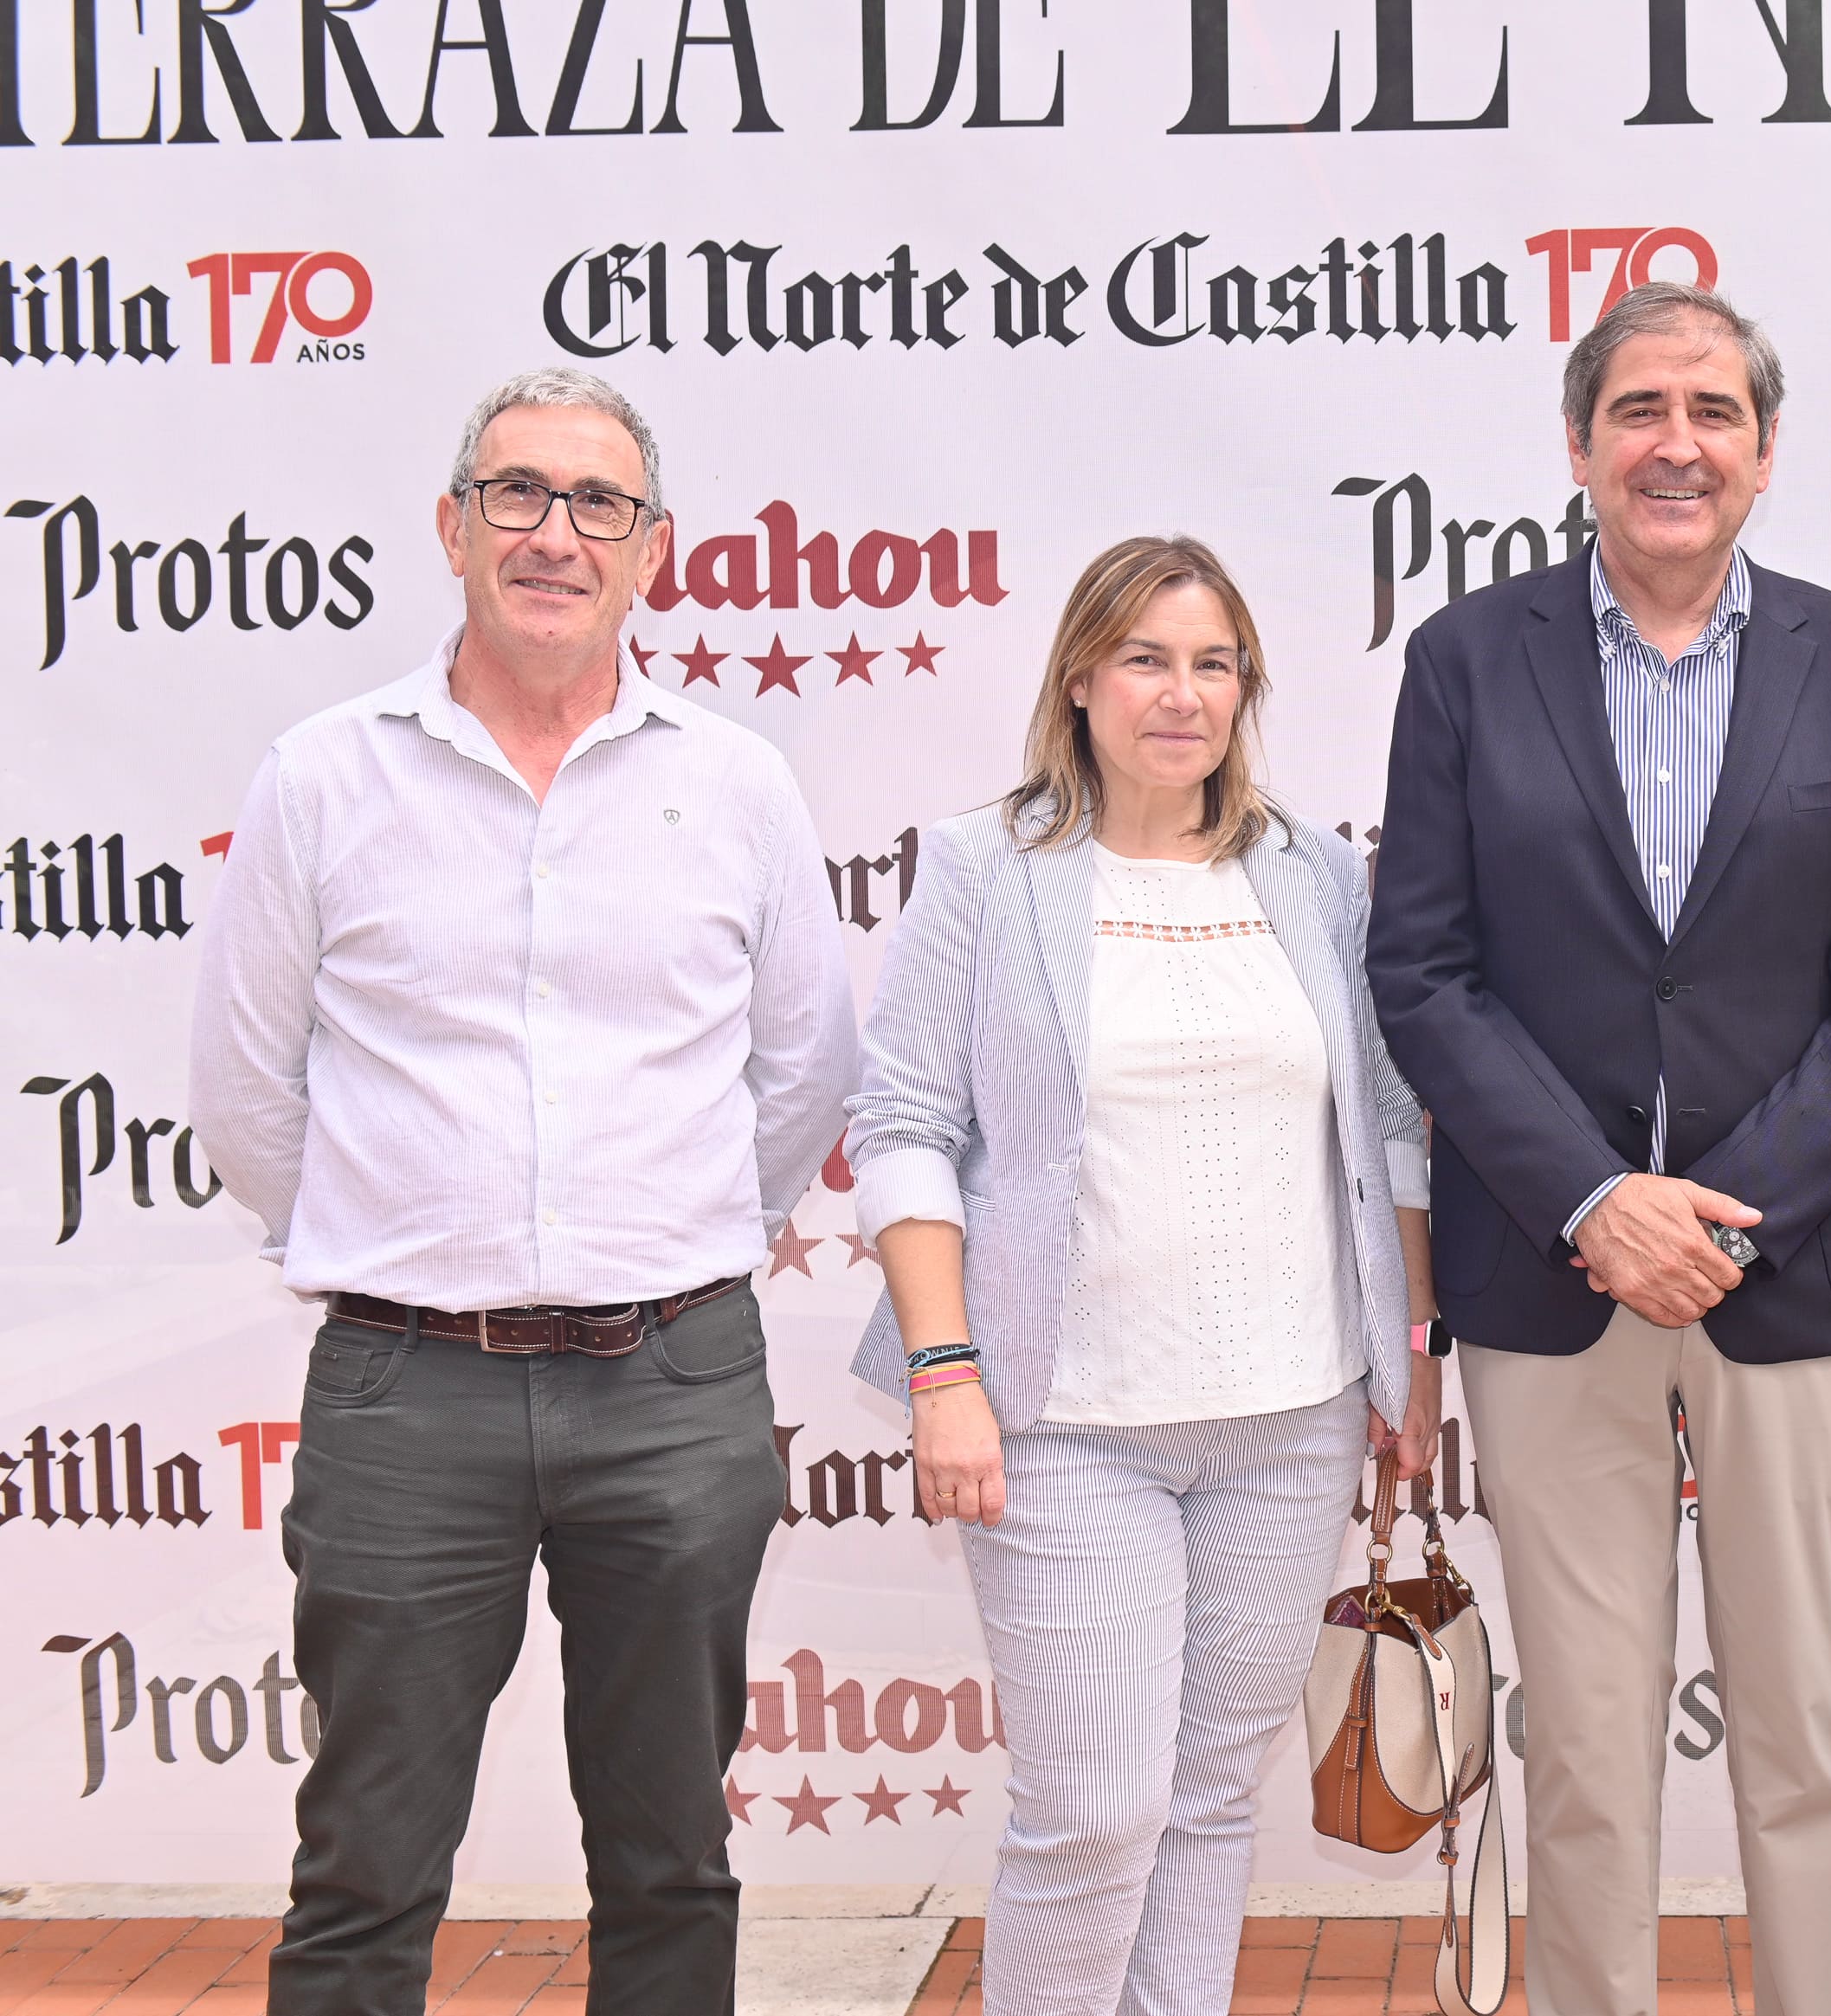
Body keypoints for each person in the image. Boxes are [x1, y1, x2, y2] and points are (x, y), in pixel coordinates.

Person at [188, 366, 858, 2014]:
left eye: (599, 506)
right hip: (406, 1390)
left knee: (670, 1864)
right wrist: (406, 1252)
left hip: (675, 1381)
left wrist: (672, 1245)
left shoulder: (740, 785)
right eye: (519, 493)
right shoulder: (324, 777)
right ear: (453, 524)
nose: (557, 533)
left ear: (654, 554)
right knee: (361, 1871)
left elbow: (803, 1078)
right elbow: (244, 1094)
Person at [1366, 281, 1831, 2016]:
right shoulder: (1471, 662)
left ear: (1763, 450)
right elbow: (1424, 964)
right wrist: (1592, 1199)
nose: (1674, 443)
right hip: (1552, 1285)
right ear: (1579, 444)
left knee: (1803, 1742)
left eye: (1712, 410)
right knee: (1589, 1746)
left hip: (1789, 1280)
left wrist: (1726, 1217)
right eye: (1639, 409)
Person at [845, 535, 1440, 2016]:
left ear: (1248, 688)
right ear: (1081, 678)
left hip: (1292, 1419)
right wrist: (945, 1374)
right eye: (1147, 658)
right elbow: (906, 1123)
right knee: (1092, 1813)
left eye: (1214, 662)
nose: (1183, 694)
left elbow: (1380, 1123)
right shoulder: (988, 866)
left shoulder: (1307, 868)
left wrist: (1406, 1356)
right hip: (1064, 1420)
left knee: (1207, 1800)